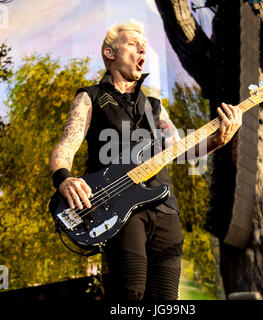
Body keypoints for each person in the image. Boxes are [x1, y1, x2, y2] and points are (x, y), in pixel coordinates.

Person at [49, 19, 242, 300]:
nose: (142, 51)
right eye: (133, 44)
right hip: (117, 207)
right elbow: (67, 144)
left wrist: (218, 140)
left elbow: (182, 149)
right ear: (110, 53)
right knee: (131, 293)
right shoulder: (90, 97)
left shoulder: (154, 108)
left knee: (166, 299)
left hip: (164, 209)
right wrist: (64, 178)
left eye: (145, 48)